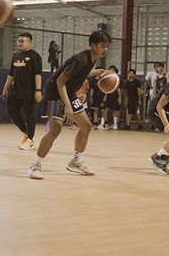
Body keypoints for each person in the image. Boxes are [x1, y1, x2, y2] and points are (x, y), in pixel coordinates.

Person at [27, 31, 110, 180]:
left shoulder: (91, 59)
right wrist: (67, 105)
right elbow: (60, 81)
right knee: (55, 129)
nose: (106, 50)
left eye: (107, 47)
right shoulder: (81, 59)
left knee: (86, 126)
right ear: (92, 45)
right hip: (54, 91)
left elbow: (79, 74)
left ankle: (76, 162)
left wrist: (96, 72)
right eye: (103, 46)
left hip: (68, 91)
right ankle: (35, 165)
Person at [1, 32, 43, 150]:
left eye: (22, 41)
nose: (19, 43)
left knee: (30, 115)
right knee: (11, 112)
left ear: (29, 42)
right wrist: (5, 89)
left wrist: (38, 90)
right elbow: (11, 74)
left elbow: (38, 74)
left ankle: (30, 140)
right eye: (18, 41)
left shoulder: (35, 56)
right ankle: (25, 131)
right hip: (15, 90)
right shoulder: (16, 56)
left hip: (29, 90)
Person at [101, 65, 122, 130]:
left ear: (115, 71)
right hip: (109, 95)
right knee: (105, 109)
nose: (112, 70)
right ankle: (105, 123)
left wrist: (119, 97)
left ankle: (115, 124)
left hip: (115, 96)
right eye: (110, 69)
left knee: (115, 110)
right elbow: (106, 88)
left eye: (113, 69)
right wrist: (105, 96)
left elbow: (119, 89)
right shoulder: (107, 78)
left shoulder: (118, 78)